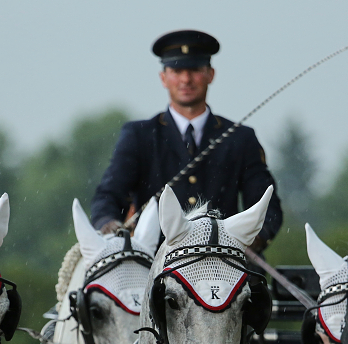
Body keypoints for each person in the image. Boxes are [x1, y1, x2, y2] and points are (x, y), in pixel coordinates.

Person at [90, 29, 282, 252]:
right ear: (163, 78)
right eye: (177, 70)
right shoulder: (139, 135)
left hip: (226, 265)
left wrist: (251, 241)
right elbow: (108, 196)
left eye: (194, 69)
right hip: (156, 266)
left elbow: (267, 206)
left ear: (211, 74)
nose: (186, 79)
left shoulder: (240, 137)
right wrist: (109, 225)